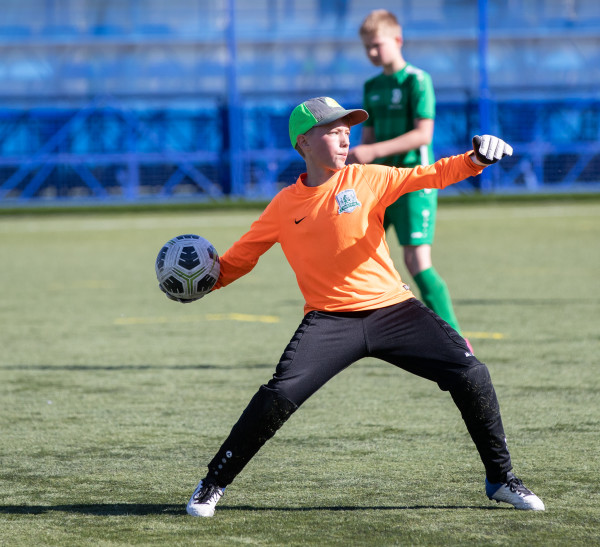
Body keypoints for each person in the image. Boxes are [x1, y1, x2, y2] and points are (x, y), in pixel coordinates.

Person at [181, 96, 545, 517]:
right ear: (303, 142)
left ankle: (501, 479)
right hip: (329, 321)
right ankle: (213, 484)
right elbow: (238, 260)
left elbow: (429, 175)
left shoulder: (367, 178)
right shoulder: (283, 206)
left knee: (472, 373)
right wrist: (200, 284)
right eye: (332, 131)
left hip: (394, 311)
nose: (343, 137)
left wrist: (475, 159)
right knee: (278, 395)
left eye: (346, 130)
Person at [349, 10, 466, 337]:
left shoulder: (417, 80)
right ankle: (366, 336)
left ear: (398, 40)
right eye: (367, 47)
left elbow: (423, 135)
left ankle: (456, 340)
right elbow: (367, 141)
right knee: (356, 255)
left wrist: (373, 152)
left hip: (415, 183)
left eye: (377, 45)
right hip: (380, 187)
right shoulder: (371, 86)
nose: (372, 53)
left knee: (417, 262)